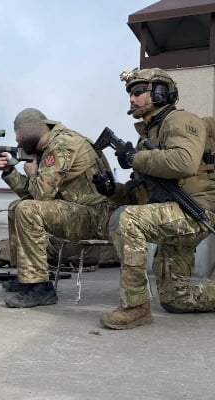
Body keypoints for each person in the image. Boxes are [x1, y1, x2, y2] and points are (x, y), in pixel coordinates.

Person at [93, 67, 215, 329]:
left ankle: (136, 307)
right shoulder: (147, 138)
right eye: (130, 94)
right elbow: (140, 195)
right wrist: (111, 189)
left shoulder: (180, 120)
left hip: (197, 211)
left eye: (138, 92)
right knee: (176, 300)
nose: (131, 99)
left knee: (126, 220)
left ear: (161, 93)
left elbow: (184, 162)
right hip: (172, 211)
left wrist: (134, 158)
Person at [0, 107, 118, 308]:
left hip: (96, 215)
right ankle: (28, 277)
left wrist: (32, 173)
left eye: (18, 133)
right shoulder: (49, 146)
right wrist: (9, 171)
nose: (16, 139)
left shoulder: (62, 145)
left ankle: (41, 289)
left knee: (27, 210)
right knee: (16, 207)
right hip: (78, 210)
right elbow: (31, 195)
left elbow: (41, 196)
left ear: (32, 130)